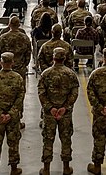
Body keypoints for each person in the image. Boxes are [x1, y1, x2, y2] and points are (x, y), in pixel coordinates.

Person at [38, 47, 79, 175]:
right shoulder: (70, 74)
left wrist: (50, 108)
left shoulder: (46, 73)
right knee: (66, 139)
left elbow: (41, 93)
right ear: (65, 58)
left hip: (50, 113)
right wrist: (65, 107)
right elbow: (74, 92)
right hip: (65, 113)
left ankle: (46, 169)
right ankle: (66, 168)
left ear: (53, 58)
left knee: (48, 139)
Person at [0, 52, 26, 175]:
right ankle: (14, 168)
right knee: (13, 142)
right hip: (12, 118)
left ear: (1, 63)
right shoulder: (18, 78)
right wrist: (11, 114)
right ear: (12, 63)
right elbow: (20, 97)